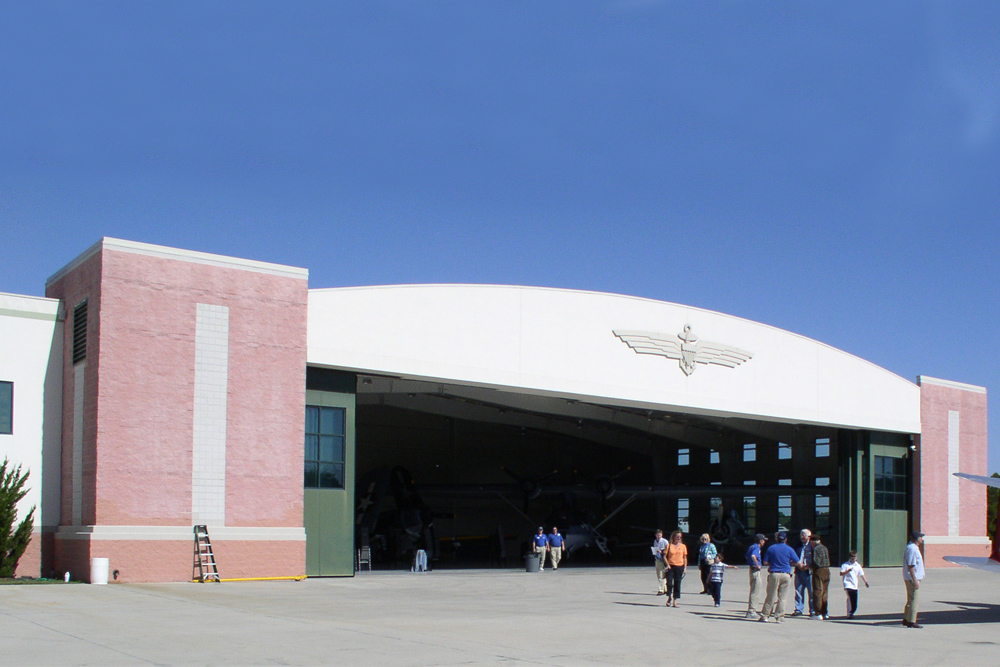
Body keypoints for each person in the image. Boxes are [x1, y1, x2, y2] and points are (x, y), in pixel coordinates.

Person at [758, 531, 799, 623]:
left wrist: (773, 564)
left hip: (774, 573)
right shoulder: (789, 549)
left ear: (777, 539)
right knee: (783, 597)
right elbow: (797, 561)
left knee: (771, 596)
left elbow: (765, 562)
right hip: (786, 574)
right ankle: (779, 617)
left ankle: (765, 615)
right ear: (786, 539)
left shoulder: (771, 548)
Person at [902, 531, 925, 628]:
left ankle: (906, 618)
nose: (922, 539)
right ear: (917, 539)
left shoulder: (913, 548)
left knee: (911, 599)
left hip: (911, 577)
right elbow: (911, 565)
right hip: (912, 578)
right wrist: (915, 579)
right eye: (920, 537)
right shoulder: (912, 549)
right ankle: (911, 621)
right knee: (914, 600)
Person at [840, 550, 869, 618]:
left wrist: (866, 582)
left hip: (855, 585)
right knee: (850, 599)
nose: (853, 559)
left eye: (854, 557)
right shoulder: (845, 565)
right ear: (849, 557)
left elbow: (862, 574)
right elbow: (841, 573)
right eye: (852, 557)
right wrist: (847, 571)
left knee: (854, 602)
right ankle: (849, 613)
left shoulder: (858, 565)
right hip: (847, 584)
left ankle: (852, 611)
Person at [745, 533, 767, 620]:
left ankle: (751, 610)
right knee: (756, 591)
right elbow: (753, 556)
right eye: (763, 540)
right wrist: (757, 564)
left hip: (751, 570)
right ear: (760, 541)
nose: (764, 542)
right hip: (755, 570)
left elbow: (747, 556)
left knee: (753, 590)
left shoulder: (751, 546)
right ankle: (752, 611)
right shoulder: (756, 547)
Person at [809, 533, 831, 620]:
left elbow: (816, 561)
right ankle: (825, 612)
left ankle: (818, 612)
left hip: (819, 570)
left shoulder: (816, 549)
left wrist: (809, 566)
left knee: (817, 591)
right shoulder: (824, 548)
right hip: (827, 570)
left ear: (813, 541)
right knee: (825, 592)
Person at [664, 530, 688, 607]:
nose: (679, 538)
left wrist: (685, 568)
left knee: (677, 583)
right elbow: (664, 556)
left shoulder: (683, 546)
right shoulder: (669, 545)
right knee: (669, 583)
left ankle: (675, 600)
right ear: (674, 537)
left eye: (680, 537)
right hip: (670, 566)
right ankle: (669, 597)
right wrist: (667, 564)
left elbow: (685, 557)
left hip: (679, 566)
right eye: (677, 536)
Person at [793, 528, 813, 616]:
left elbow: (815, 560)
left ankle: (813, 610)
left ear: (809, 536)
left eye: (803, 535)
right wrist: (798, 564)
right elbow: (793, 557)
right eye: (801, 535)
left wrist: (807, 566)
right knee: (798, 591)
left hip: (809, 572)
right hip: (799, 571)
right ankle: (798, 609)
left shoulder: (812, 546)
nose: (802, 537)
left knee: (811, 592)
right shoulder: (797, 546)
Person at [652, 529, 669, 595]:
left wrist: (662, 552)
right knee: (658, 574)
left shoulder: (665, 541)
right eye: (657, 535)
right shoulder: (655, 541)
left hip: (662, 559)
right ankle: (665, 589)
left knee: (661, 575)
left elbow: (668, 549)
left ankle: (661, 590)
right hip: (657, 559)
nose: (658, 536)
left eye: (660, 535)